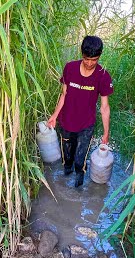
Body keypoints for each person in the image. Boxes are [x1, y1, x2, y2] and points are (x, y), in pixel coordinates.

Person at [46, 35, 113, 187]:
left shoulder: (103, 76)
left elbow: (104, 107)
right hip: (66, 122)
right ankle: (65, 181)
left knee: (80, 160)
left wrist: (106, 132)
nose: (90, 63)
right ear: (81, 54)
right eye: (86, 59)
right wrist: (54, 115)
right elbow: (64, 95)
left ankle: (78, 188)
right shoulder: (70, 68)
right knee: (67, 158)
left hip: (86, 125)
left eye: (94, 59)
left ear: (100, 56)